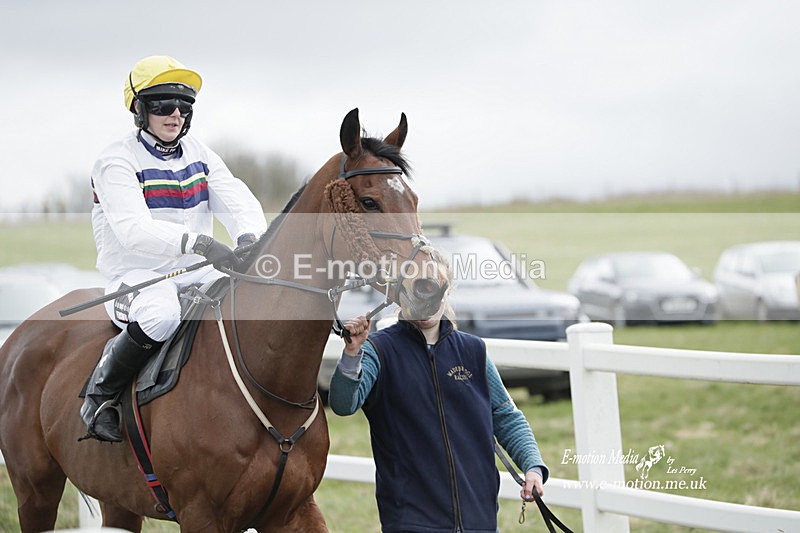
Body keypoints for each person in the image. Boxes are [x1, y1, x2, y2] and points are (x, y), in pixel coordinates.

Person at [81, 55, 268, 442]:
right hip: (138, 277)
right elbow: (133, 230)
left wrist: (249, 237)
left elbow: (237, 200)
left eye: (184, 106)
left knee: (253, 296)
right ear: (140, 109)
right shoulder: (115, 161)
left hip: (198, 269)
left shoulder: (201, 153)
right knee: (161, 316)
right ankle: (100, 396)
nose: (176, 114)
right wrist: (200, 242)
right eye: (164, 105)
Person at [328, 259, 549, 532]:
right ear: (400, 294)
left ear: (446, 292)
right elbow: (343, 404)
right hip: (411, 519)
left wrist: (532, 467)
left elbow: (506, 415)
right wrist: (352, 355)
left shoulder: (473, 350)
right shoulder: (379, 350)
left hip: (478, 517)